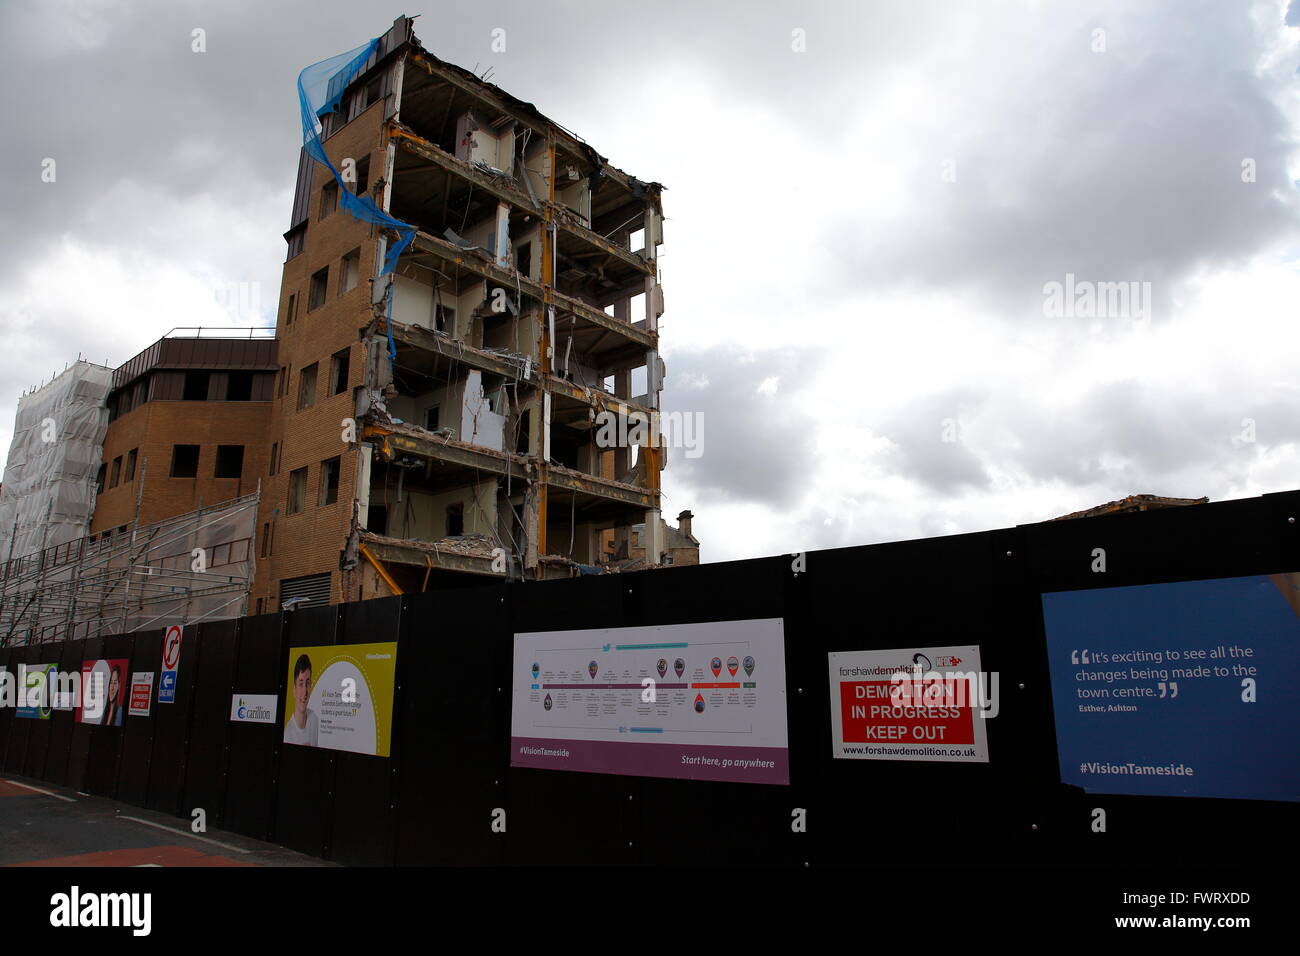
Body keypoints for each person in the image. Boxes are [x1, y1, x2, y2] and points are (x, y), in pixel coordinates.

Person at [284, 654, 318, 747]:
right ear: (294, 689)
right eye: (300, 684)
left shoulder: (314, 719)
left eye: (307, 683)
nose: (305, 692)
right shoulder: (287, 735)